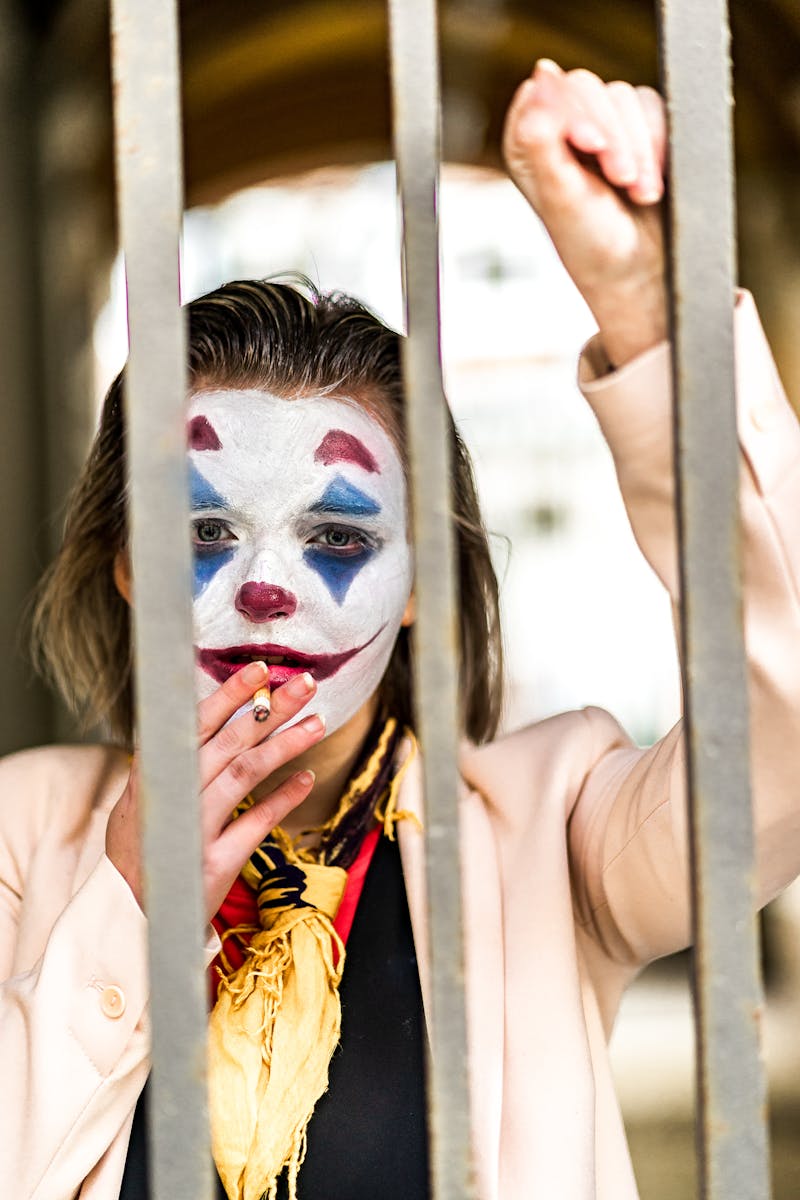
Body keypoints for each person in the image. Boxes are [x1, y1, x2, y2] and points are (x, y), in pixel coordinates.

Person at [2, 58, 799, 1200]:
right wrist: (124, 906)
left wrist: (645, 307)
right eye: (204, 530)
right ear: (126, 562)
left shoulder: (551, 836)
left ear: (424, 576)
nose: (268, 591)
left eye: (335, 537)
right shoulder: (19, 842)